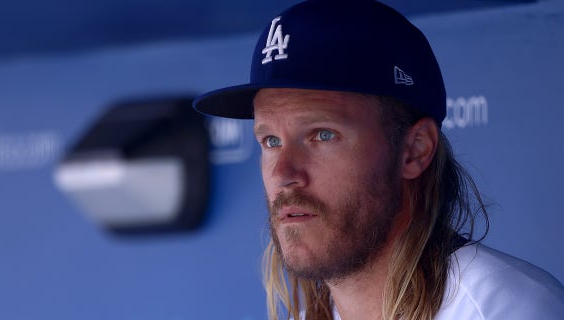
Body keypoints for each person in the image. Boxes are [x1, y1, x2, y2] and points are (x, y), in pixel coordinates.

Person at [193, 1, 564, 319]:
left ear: (414, 150)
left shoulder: (504, 308)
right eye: (271, 140)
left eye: (322, 135)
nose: (284, 173)